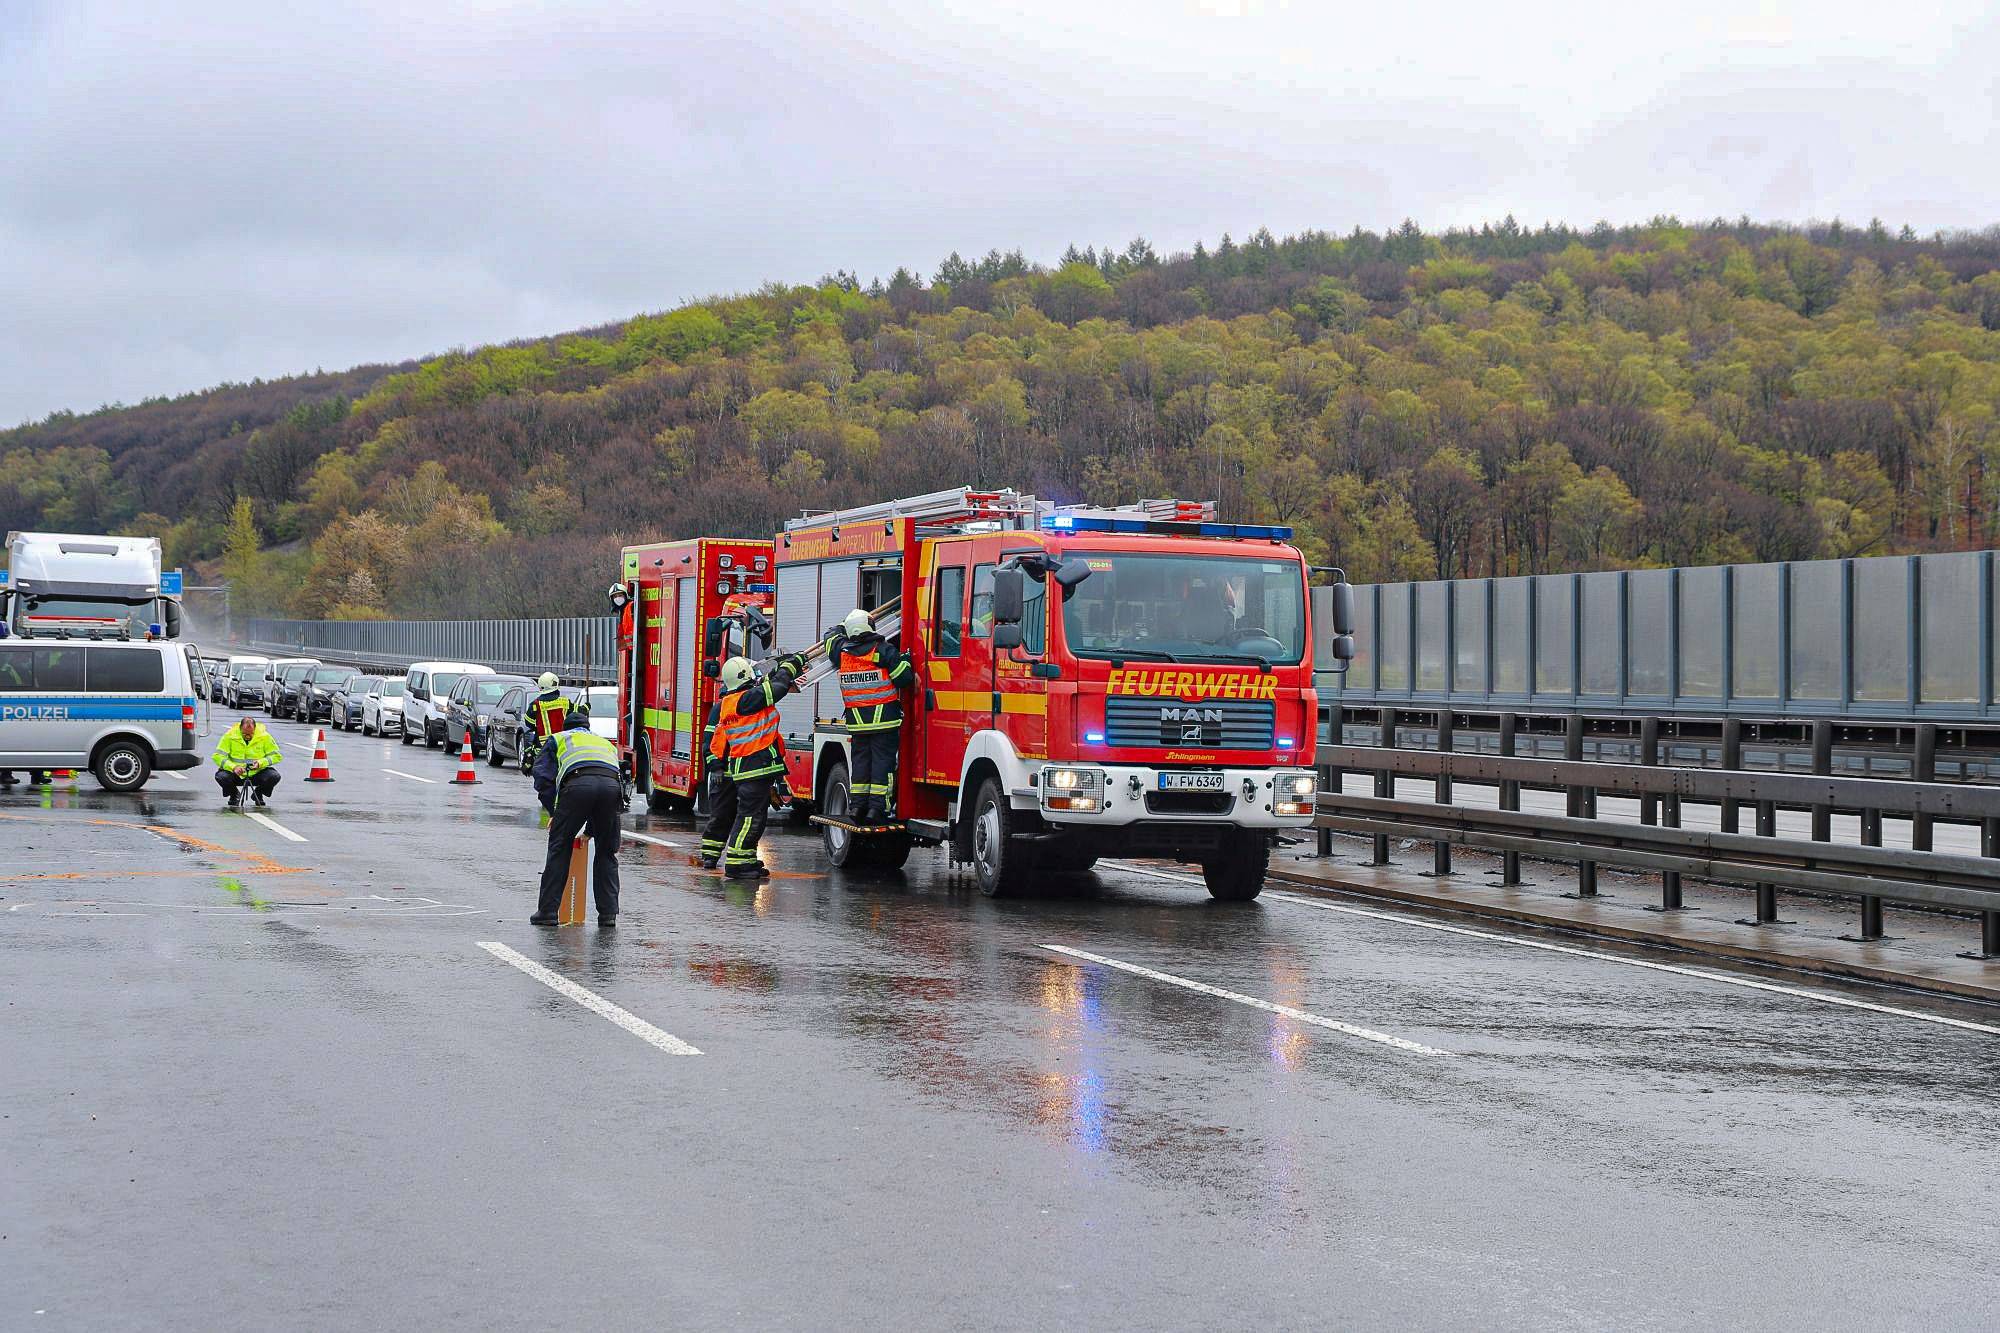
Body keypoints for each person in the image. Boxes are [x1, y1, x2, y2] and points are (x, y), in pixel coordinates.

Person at [701, 652, 805, 879]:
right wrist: (792, 665)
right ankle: (737, 863)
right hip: (754, 768)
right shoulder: (745, 700)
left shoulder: (739, 700)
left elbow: (767, 686)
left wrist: (779, 667)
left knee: (753, 818)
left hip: (751, 768)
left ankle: (746, 860)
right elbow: (777, 688)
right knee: (749, 818)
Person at [820, 608, 914, 824]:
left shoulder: (842, 652)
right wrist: (906, 659)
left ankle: (856, 808)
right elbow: (904, 678)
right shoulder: (882, 650)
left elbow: (829, 637)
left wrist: (842, 626)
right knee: (882, 766)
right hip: (884, 723)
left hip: (858, 725)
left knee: (860, 766)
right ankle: (876, 810)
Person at [530, 710, 623, 927]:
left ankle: (547, 912)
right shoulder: (604, 743)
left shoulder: (559, 739)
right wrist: (591, 830)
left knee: (559, 848)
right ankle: (608, 915)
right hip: (612, 789)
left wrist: (554, 811)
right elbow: (605, 779)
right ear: (588, 728)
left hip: (577, 785)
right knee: (607, 852)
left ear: (566, 728)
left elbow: (542, 775)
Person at [213, 715, 282, 809]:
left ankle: (258, 793)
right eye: (245, 733)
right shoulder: (229, 736)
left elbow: (276, 756)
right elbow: (218, 756)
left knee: (274, 776)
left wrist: (260, 763)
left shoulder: (264, 736)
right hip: (236, 773)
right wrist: (233, 767)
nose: (248, 736)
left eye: (251, 733)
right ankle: (234, 794)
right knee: (221, 776)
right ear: (240, 728)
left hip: (257, 772)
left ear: (255, 729)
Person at [523, 671, 569, 767]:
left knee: (542, 770)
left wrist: (538, 726)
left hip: (543, 745)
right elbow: (577, 714)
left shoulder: (535, 705)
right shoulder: (565, 702)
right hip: (563, 743)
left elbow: (528, 723)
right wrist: (586, 707)